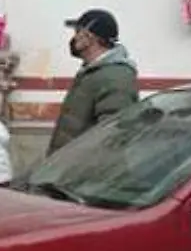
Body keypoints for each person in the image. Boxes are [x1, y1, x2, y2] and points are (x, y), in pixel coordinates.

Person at [49, 8, 139, 154]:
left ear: (89, 37)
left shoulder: (114, 77)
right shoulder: (92, 72)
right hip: (70, 167)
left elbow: (112, 137)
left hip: (88, 172)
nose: (74, 38)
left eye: (77, 32)